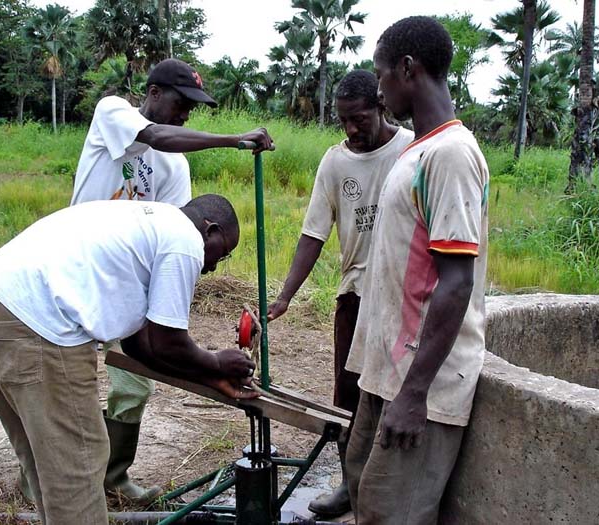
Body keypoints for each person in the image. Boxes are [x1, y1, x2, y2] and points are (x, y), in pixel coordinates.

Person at [0, 194, 259, 525]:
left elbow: (142, 347)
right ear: (210, 229)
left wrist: (210, 377)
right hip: (32, 323)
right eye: (223, 254)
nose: (213, 267)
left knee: (48, 460)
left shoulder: (145, 224)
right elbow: (168, 341)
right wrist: (216, 362)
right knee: (79, 462)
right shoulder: (184, 240)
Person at [65, 58, 272, 504]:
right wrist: (234, 140)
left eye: (192, 109)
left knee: (136, 381)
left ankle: (113, 477)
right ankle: (47, 476)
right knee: (68, 386)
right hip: (79, 270)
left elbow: (178, 238)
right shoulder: (114, 114)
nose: (186, 115)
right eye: (182, 103)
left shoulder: (176, 167)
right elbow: (156, 135)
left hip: (128, 283)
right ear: (154, 93)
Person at [343, 17, 489, 524]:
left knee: (392, 514)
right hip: (389, 374)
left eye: (382, 76)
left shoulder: (450, 154)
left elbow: (456, 281)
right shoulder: (419, 149)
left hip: (419, 385)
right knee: (367, 496)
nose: (379, 91)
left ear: (408, 69)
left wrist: (414, 395)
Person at [266, 69, 413, 519]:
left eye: (359, 118)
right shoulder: (335, 163)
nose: (351, 129)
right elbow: (314, 233)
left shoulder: (410, 149)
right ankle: (351, 487)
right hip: (355, 297)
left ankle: (390, 491)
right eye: (343, 120)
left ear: (380, 107)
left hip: (403, 296)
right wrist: (286, 295)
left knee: (397, 394)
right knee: (348, 396)